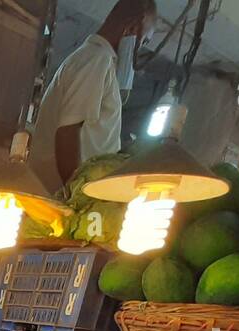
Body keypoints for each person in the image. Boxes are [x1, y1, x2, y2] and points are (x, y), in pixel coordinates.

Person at [28, 0, 157, 191]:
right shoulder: (96, 60)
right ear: (131, 28)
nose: (140, 50)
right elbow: (67, 132)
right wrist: (75, 196)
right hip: (57, 195)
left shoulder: (97, 60)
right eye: (144, 41)